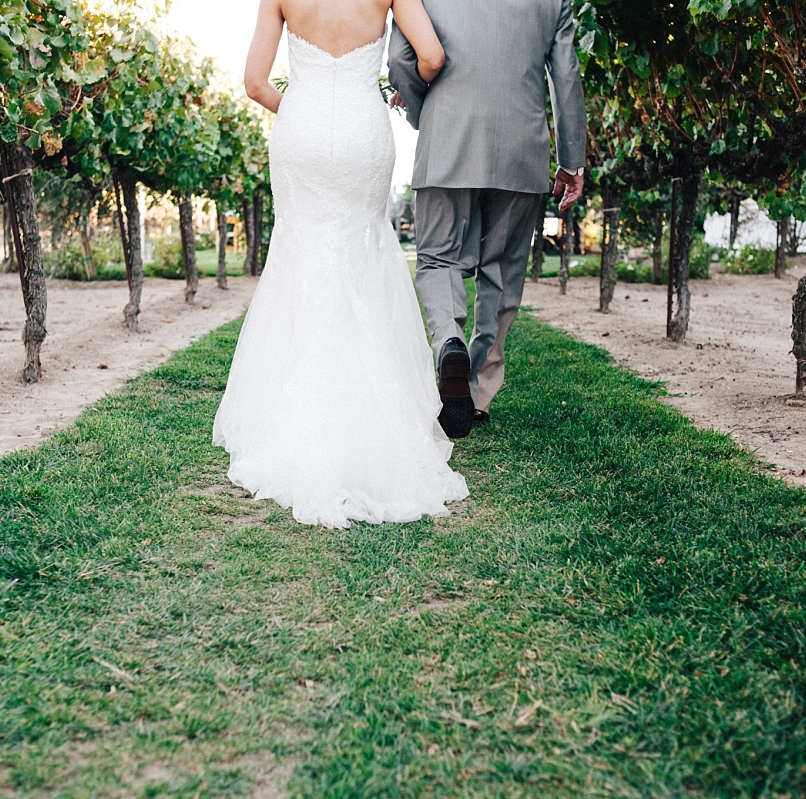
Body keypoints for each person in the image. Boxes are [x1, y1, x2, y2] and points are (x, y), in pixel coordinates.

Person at [213, 0, 468, 528]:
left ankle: (292, 417)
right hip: (363, 129)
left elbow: (256, 84)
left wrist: (305, 109)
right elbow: (433, 55)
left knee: (300, 250)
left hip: (301, 130)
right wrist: (401, 94)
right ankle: (374, 415)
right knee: (364, 251)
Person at [389, 0, 587, 438]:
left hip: (448, 139)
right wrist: (573, 160)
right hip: (523, 149)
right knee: (501, 271)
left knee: (439, 259)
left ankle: (448, 343)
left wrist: (427, 116)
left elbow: (402, 59)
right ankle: (474, 392)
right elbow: (566, 76)